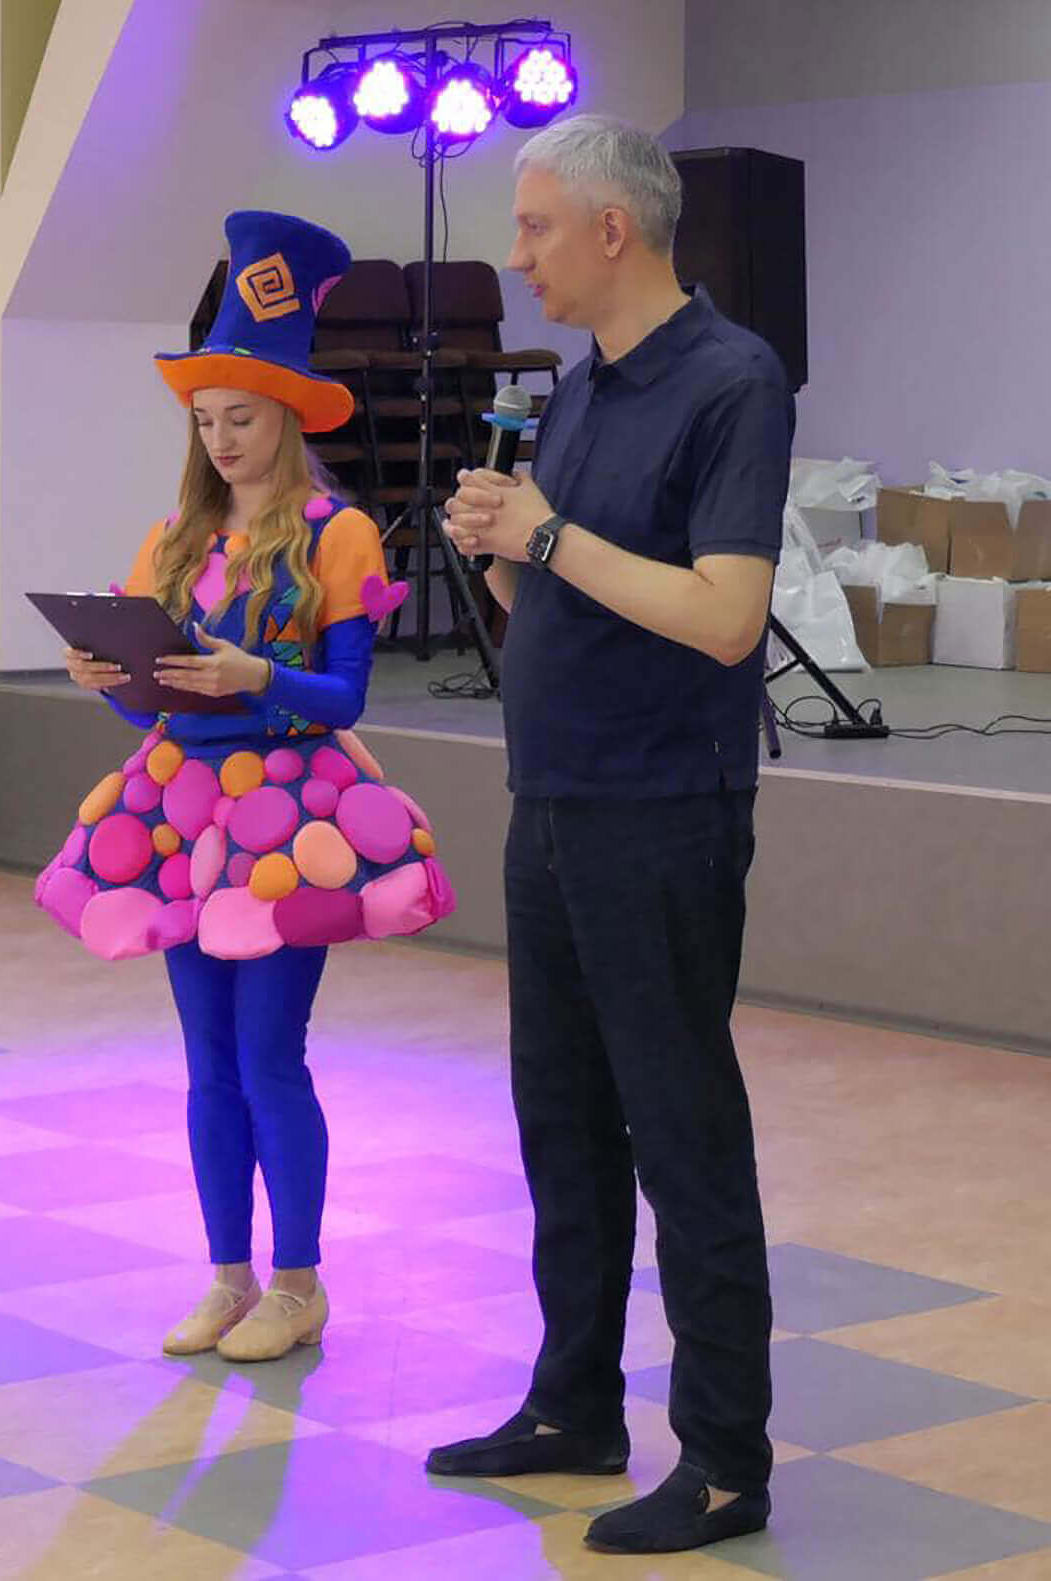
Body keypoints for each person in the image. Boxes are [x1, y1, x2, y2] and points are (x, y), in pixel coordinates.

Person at [426, 117, 787, 1556]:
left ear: (612, 230)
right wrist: (500, 552)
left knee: (680, 1129)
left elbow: (726, 616)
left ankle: (727, 1460)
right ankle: (574, 1401)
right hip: (556, 799)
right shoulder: (573, 391)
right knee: (562, 1121)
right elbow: (557, 600)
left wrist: (548, 538)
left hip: (663, 809)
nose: (517, 255)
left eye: (534, 227)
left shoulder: (733, 381)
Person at [36, 211, 456, 1365]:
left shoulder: (338, 533)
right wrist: (111, 681)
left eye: (243, 417)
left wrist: (254, 674)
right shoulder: (172, 539)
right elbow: (156, 712)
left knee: (271, 1056)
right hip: (181, 814)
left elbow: (347, 696)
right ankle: (228, 1276)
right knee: (208, 1063)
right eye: (206, 419)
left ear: (287, 416)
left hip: (289, 820)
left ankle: (298, 1283)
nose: (222, 439)